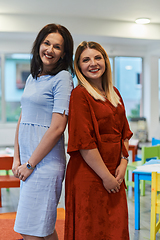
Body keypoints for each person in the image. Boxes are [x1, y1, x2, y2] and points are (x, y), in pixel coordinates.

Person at [64, 41, 133, 240]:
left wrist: (123, 162)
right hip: (90, 174)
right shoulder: (79, 95)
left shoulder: (114, 92)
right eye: (86, 60)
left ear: (105, 61)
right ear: (79, 66)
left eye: (97, 57)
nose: (93, 63)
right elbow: (84, 143)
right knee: (91, 230)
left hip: (115, 172)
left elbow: (124, 133)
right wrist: (106, 177)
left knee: (116, 229)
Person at [12, 23, 74, 240]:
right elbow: (23, 118)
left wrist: (30, 164)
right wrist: (17, 158)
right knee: (43, 230)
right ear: (39, 44)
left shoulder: (64, 78)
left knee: (30, 231)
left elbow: (58, 127)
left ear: (64, 53)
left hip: (45, 164)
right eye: (46, 43)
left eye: (57, 46)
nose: (50, 49)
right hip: (29, 162)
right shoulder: (33, 77)